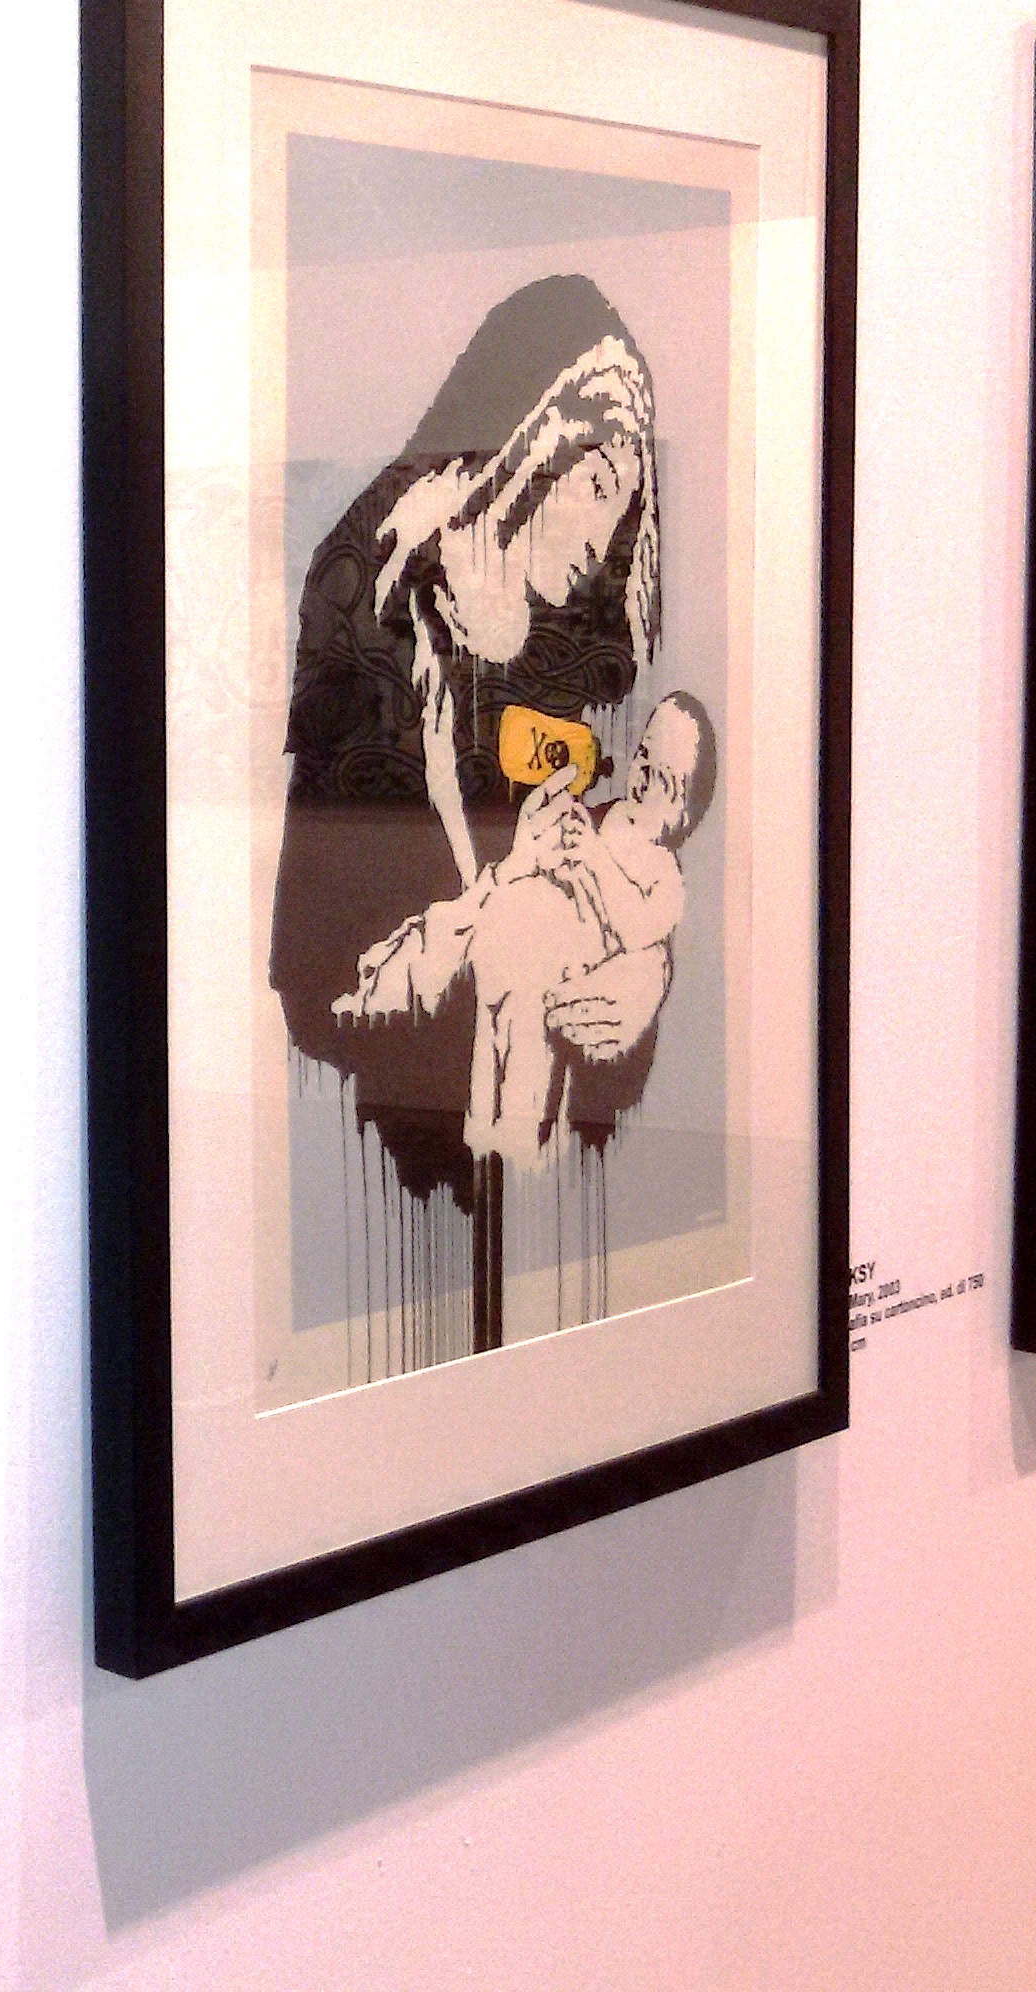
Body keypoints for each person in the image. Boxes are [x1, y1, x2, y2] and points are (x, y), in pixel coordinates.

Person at [272, 273, 670, 1361]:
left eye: (629, 498)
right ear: (531, 440)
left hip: (541, 1210)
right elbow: (320, 991)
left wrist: (642, 976)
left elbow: (613, 868)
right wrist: (488, 914)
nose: (610, 527)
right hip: (386, 1218)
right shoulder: (365, 606)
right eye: (599, 480)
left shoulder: (563, 650)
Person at [331, 693, 718, 1330]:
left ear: (684, 814)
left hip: (549, 984)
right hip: (488, 971)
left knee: (524, 1086)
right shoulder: (606, 817)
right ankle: (485, 1147)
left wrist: (644, 960)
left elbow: (637, 926)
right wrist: (533, 857)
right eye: (643, 757)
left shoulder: (660, 870)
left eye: (664, 780)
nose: (643, 777)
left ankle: (508, 1168)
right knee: (491, 1066)